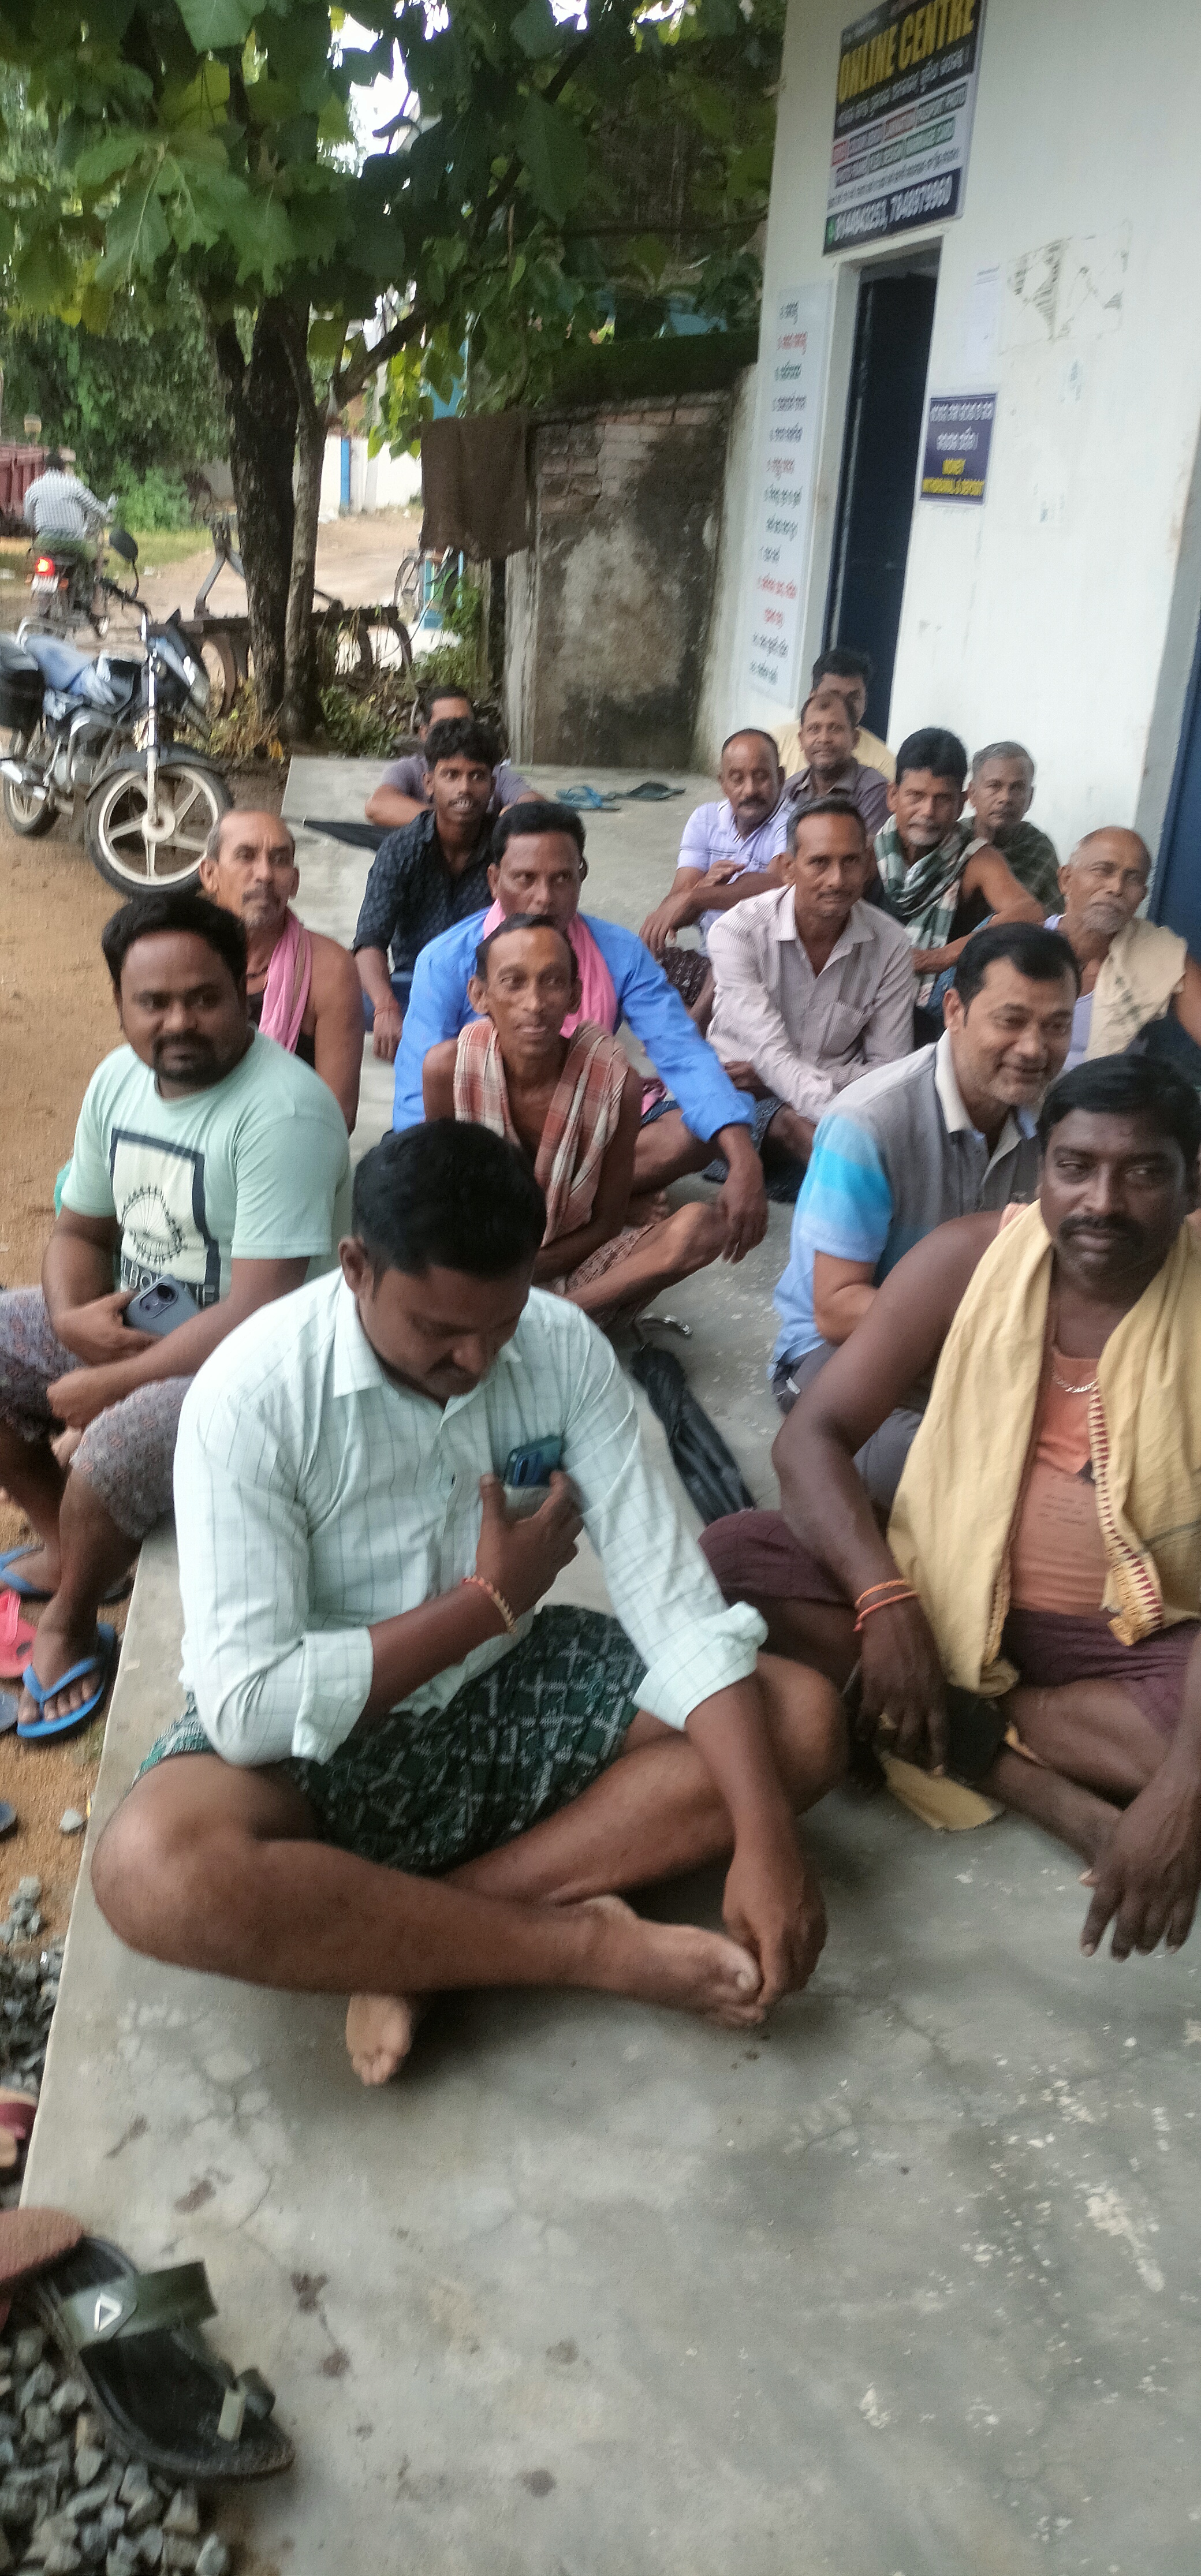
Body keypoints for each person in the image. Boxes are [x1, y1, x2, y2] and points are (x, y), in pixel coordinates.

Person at [92, 1122, 846, 2088]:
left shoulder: (561, 1347)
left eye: (501, 1323)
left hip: (508, 1682)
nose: (478, 1358)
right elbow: (245, 1709)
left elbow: (671, 1597)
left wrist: (768, 1838)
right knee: (152, 1868)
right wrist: (484, 1604)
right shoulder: (252, 1398)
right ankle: (580, 1945)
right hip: (325, 1739)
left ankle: (417, 1942)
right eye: (440, 1332)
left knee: (802, 1723)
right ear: (357, 1267)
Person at [701, 1057, 1201, 1966]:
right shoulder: (969, 1259)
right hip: (938, 1589)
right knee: (729, 1560)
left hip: (1129, 1634)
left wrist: (1185, 1791)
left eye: (1143, 1172)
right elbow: (812, 1438)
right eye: (1076, 1167)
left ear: (1190, 1181)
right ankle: (1035, 1778)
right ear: (1042, 1169)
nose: (1103, 1202)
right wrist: (884, 1598)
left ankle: (947, 1725)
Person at [0, 895, 349, 1739]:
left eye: (203, 997)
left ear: (243, 993)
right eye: (153, 1002)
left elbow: (261, 1308)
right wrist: (71, 1320)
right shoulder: (118, 1081)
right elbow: (80, 1230)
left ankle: (71, 1619)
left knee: (115, 1448)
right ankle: (66, 1542)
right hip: (144, 1323)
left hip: (263, 1361)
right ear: (121, 1003)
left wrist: (110, 1384)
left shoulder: (284, 1112)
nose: (179, 1022)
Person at [768, 925, 1079, 1501]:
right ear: (954, 1011)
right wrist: (987, 1334)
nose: (1034, 1048)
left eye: (1056, 1026)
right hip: (844, 1353)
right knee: (960, 1478)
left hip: (981, 1354)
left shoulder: (1061, 1124)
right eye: (1010, 1021)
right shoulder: (870, 1122)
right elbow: (836, 1308)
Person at [393, 803, 769, 1257]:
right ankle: (593, 1207)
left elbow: (682, 1051)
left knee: (695, 1134)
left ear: (582, 876)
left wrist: (744, 1160)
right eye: (525, 879)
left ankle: (562, 1207)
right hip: (489, 1148)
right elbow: (418, 1092)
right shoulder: (445, 959)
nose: (544, 898)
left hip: (587, 1138)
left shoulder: (620, 952)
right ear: (494, 880)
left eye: (561, 879)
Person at [423, 915, 725, 1321]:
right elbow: (442, 1205)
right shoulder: (449, 1069)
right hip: (478, 1266)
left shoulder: (615, 1083)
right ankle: (535, 1325)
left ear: (574, 995)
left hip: (574, 1271)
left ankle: (553, 1320)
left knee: (700, 1228)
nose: (534, 1004)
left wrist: (525, 1276)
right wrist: (483, 1276)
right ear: (480, 995)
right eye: (513, 983)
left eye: (552, 982)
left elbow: (606, 1224)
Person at [705, 799, 913, 1181]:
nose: (837, 879)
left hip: (824, 1095)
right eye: (820, 862)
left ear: (869, 865)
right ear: (789, 868)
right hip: (739, 1096)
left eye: (851, 861)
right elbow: (770, 1052)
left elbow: (889, 1069)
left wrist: (780, 1074)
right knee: (817, 1138)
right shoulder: (738, 933)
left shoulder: (892, 945)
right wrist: (845, 1115)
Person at [199, 808, 363, 1130]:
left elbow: (337, 1117)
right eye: (246, 856)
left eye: (279, 860)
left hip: (286, 1143)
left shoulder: (329, 968)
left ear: (295, 882)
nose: (265, 874)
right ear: (209, 874)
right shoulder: (181, 958)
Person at [873, 727, 1047, 1022]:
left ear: (961, 803)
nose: (928, 811)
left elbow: (1029, 912)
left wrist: (936, 958)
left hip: (935, 1012)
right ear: (893, 796)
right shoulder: (868, 851)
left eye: (942, 799)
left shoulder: (975, 858)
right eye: (916, 796)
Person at [353, 717, 499, 1061]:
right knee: (337, 997)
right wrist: (385, 1007)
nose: (464, 788)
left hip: (489, 990)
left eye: (477, 776)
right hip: (414, 986)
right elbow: (369, 941)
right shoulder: (401, 849)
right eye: (452, 775)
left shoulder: (507, 847)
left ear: (492, 785)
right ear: (429, 782)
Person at [639, 731, 792, 1028]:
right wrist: (699, 888)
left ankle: (694, 1027)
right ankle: (702, 1027)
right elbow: (674, 910)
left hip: (767, 969)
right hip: (708, 963)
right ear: (723, 783)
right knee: (635, 968)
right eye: (737, 779)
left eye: (761, 777)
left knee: (736, 947)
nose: (750, 789)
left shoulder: (791, 822)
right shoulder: (705, 820)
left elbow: (776, 886)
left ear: (781, 777)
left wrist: (698, 897)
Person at [1047, 826, 1201, 1068]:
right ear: (1066, 880)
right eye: (1103, 870)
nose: (1116, 888)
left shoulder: (1159, 954)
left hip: (1106, 1089)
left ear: (1142, 896)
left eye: (1133, 878)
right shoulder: (1020, 945)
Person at [364, 686, 541, 832]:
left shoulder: (493, 772)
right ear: (424, 733)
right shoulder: (410, 769)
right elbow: (378, 806)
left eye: (463, 724)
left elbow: (534, 805)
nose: (455, 733)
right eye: (444, 726)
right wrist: (458, 819)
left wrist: (516, 814)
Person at [778, 688, 890, 841]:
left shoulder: (874, 792)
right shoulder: (791, 789)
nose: (824, 738)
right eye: (814, 729)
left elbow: (864, 853)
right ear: (801, 740)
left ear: (855, 739)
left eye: (835, 728)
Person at [966, 742, 1062, 913]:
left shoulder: (1039, 849)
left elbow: (1052, 921)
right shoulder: (952, 841)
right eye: (994, 786)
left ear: (1030, 798)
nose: (1006, 798)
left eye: (1017, 788)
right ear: (972, 794)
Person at [778, 646, 896, 785]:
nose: (843, 706)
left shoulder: (883, 764)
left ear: (865, 703)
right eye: (833, 695)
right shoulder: (779, 741)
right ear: (812, 698)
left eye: (853, 698)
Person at [23, 450, 113, 561]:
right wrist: (105, 512)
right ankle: (96, 572)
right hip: (74, 543)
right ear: (63, 468)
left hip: (45, 542)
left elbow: (28, 518)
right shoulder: (74, 485)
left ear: (44, 467)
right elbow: (94, 506)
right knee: (95, 555)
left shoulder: (34, 487)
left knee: (36, 561)